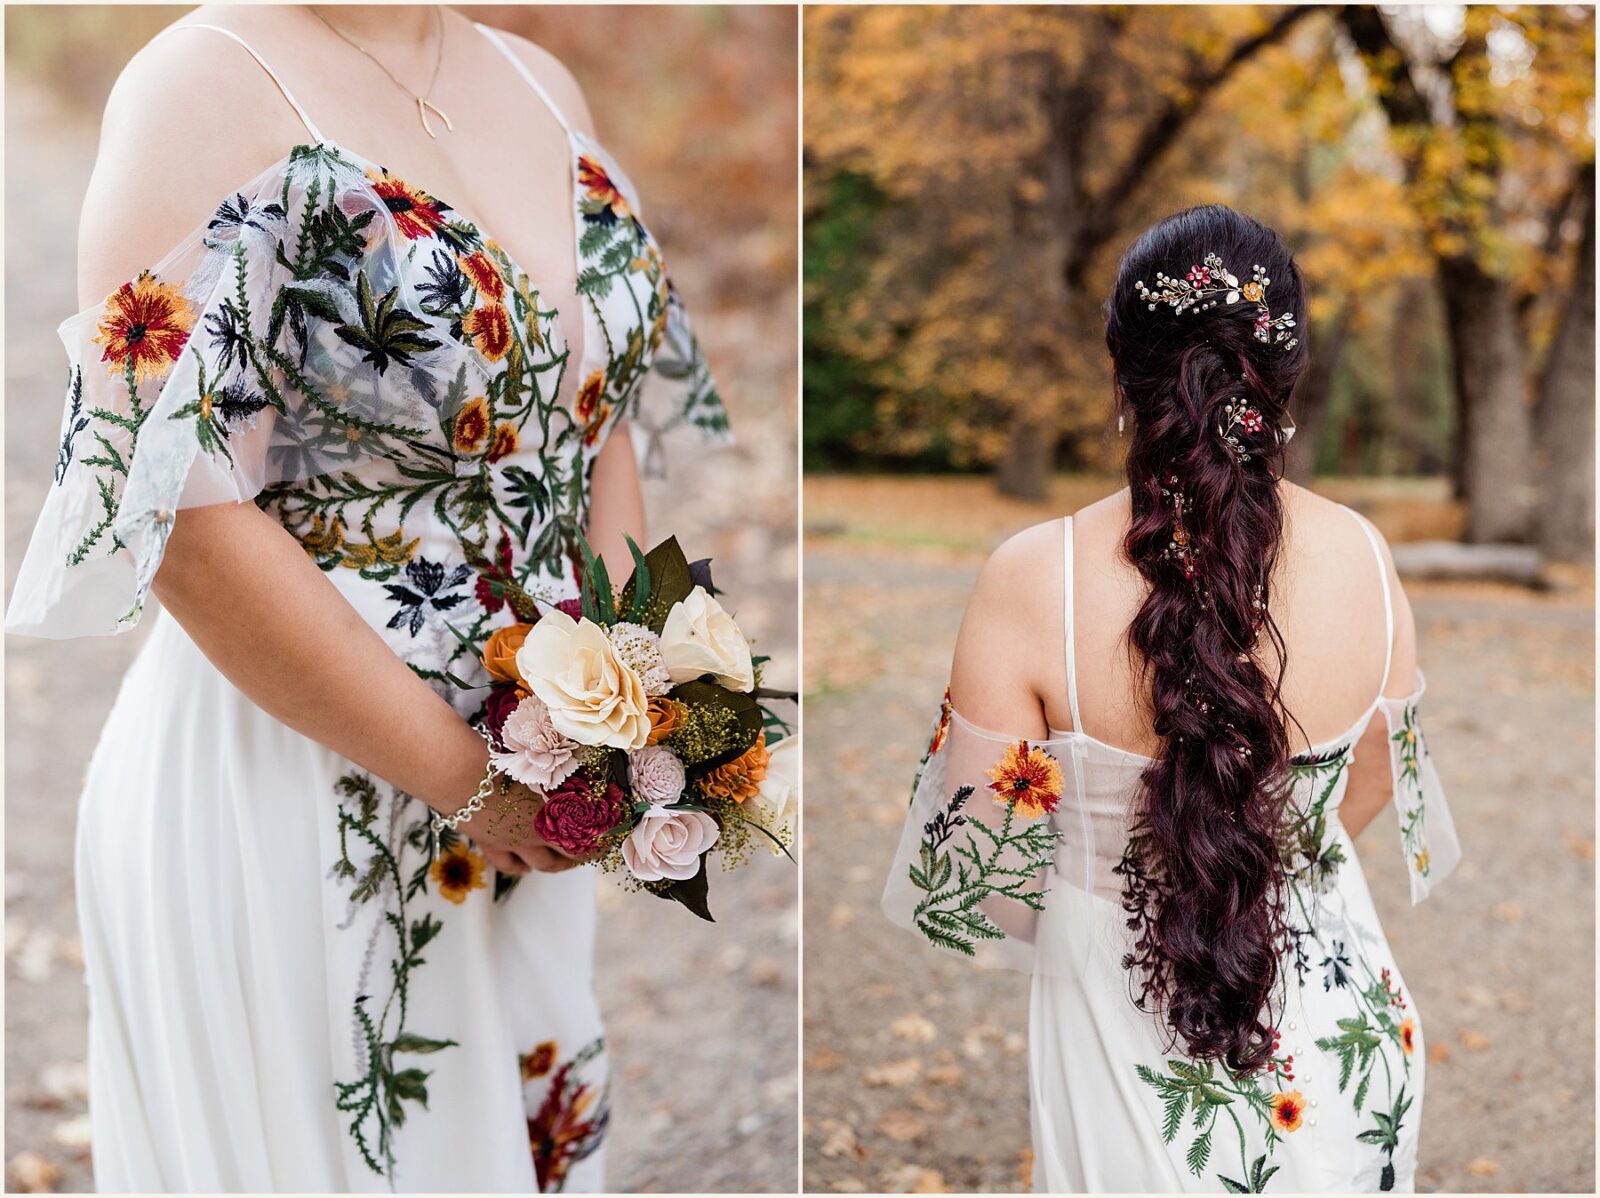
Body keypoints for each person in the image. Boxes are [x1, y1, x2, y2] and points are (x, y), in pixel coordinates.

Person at [7, 5, 729, 1190]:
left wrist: (627, 708)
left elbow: (594, 424)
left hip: (535, 781)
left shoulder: (539, 81)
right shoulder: (196, 87)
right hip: (296, 794)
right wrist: (475, 783)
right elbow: (177, 515)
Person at [883, 205, 1459, 1192]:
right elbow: (1369, 784)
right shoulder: (1365, 556)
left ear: (1122, 374)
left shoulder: (1032, 575)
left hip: (1117, 1009)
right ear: (1282, 378)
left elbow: (973, 859)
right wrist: (1251, 850)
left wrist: (1122, 870)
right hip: (1340, 1031)